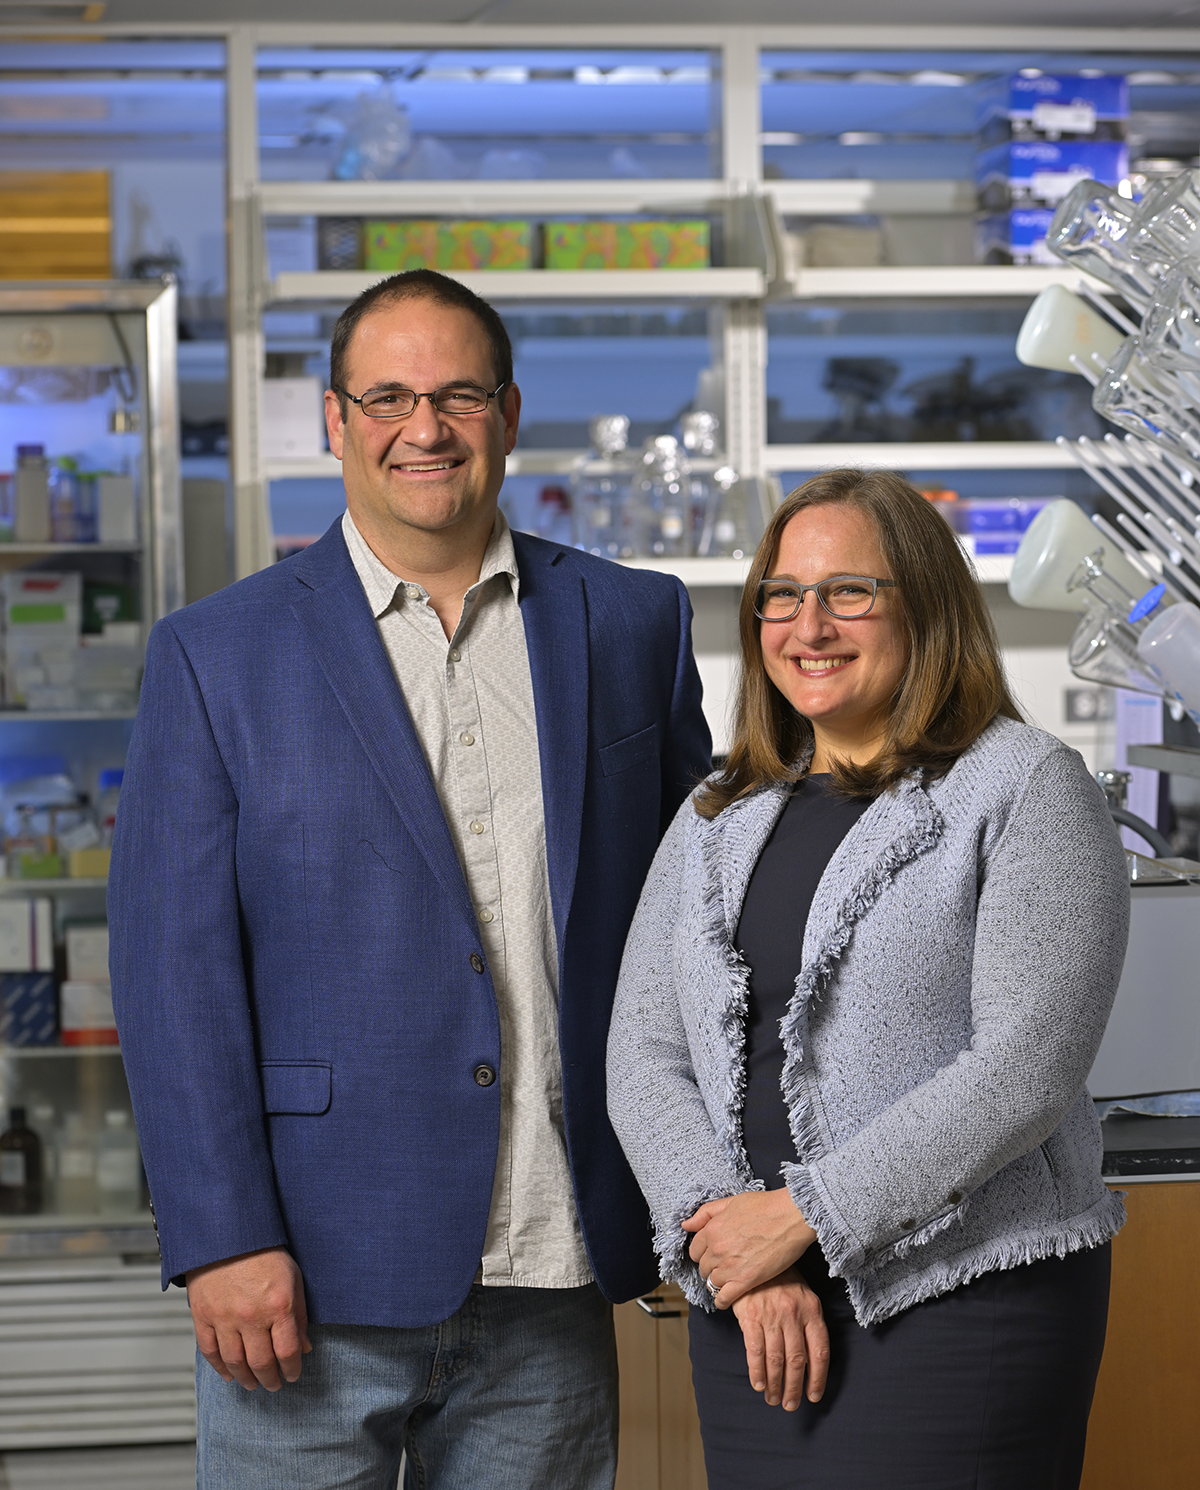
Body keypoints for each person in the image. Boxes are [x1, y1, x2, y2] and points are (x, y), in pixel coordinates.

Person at [109, 268, 711, 1490]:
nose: (422, 429)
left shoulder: (630, 620)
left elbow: (696, 923)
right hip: (311, 1272)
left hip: (556, 1256)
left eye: (457, 395)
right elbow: (173, 976)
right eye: (386, 396)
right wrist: (222, 1236)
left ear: (510, 410)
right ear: (334, 421)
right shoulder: (217, 653)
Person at [607, 468, 1130, 1490]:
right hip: (754, 1310)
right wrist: (733, 1246)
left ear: (926, 606)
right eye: (783, 594)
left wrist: (798, 1218)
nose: (811, 624)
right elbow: (642, 1049)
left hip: (964, 1300)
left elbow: (1025, 1068)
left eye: (851, 590)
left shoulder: (1025, 785)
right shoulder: (720, 811)